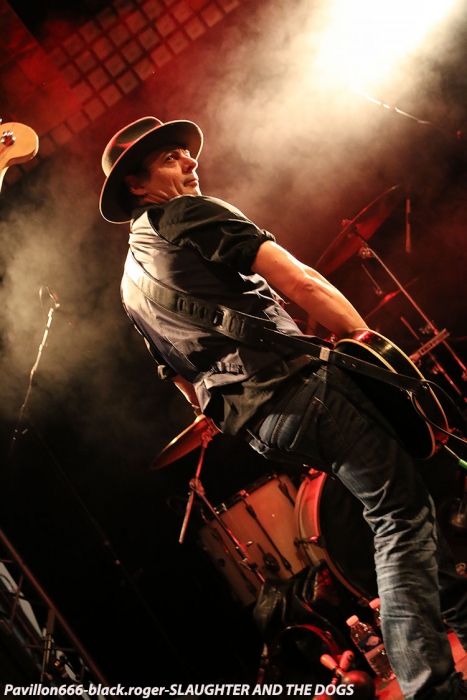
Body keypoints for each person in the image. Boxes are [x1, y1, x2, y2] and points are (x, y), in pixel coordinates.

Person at [99, 116, 467, 698]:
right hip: (299, 390)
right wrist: (368, 345)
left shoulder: (129, 282)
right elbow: (300, 281)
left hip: (260, 424)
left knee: (397, 506)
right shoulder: (188, 213)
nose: (191, 162)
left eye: (185, 154)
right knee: (401, 513)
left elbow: (180, 382)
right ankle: (431, 685)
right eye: (170, 158)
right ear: (137, 186)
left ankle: (458, 625)